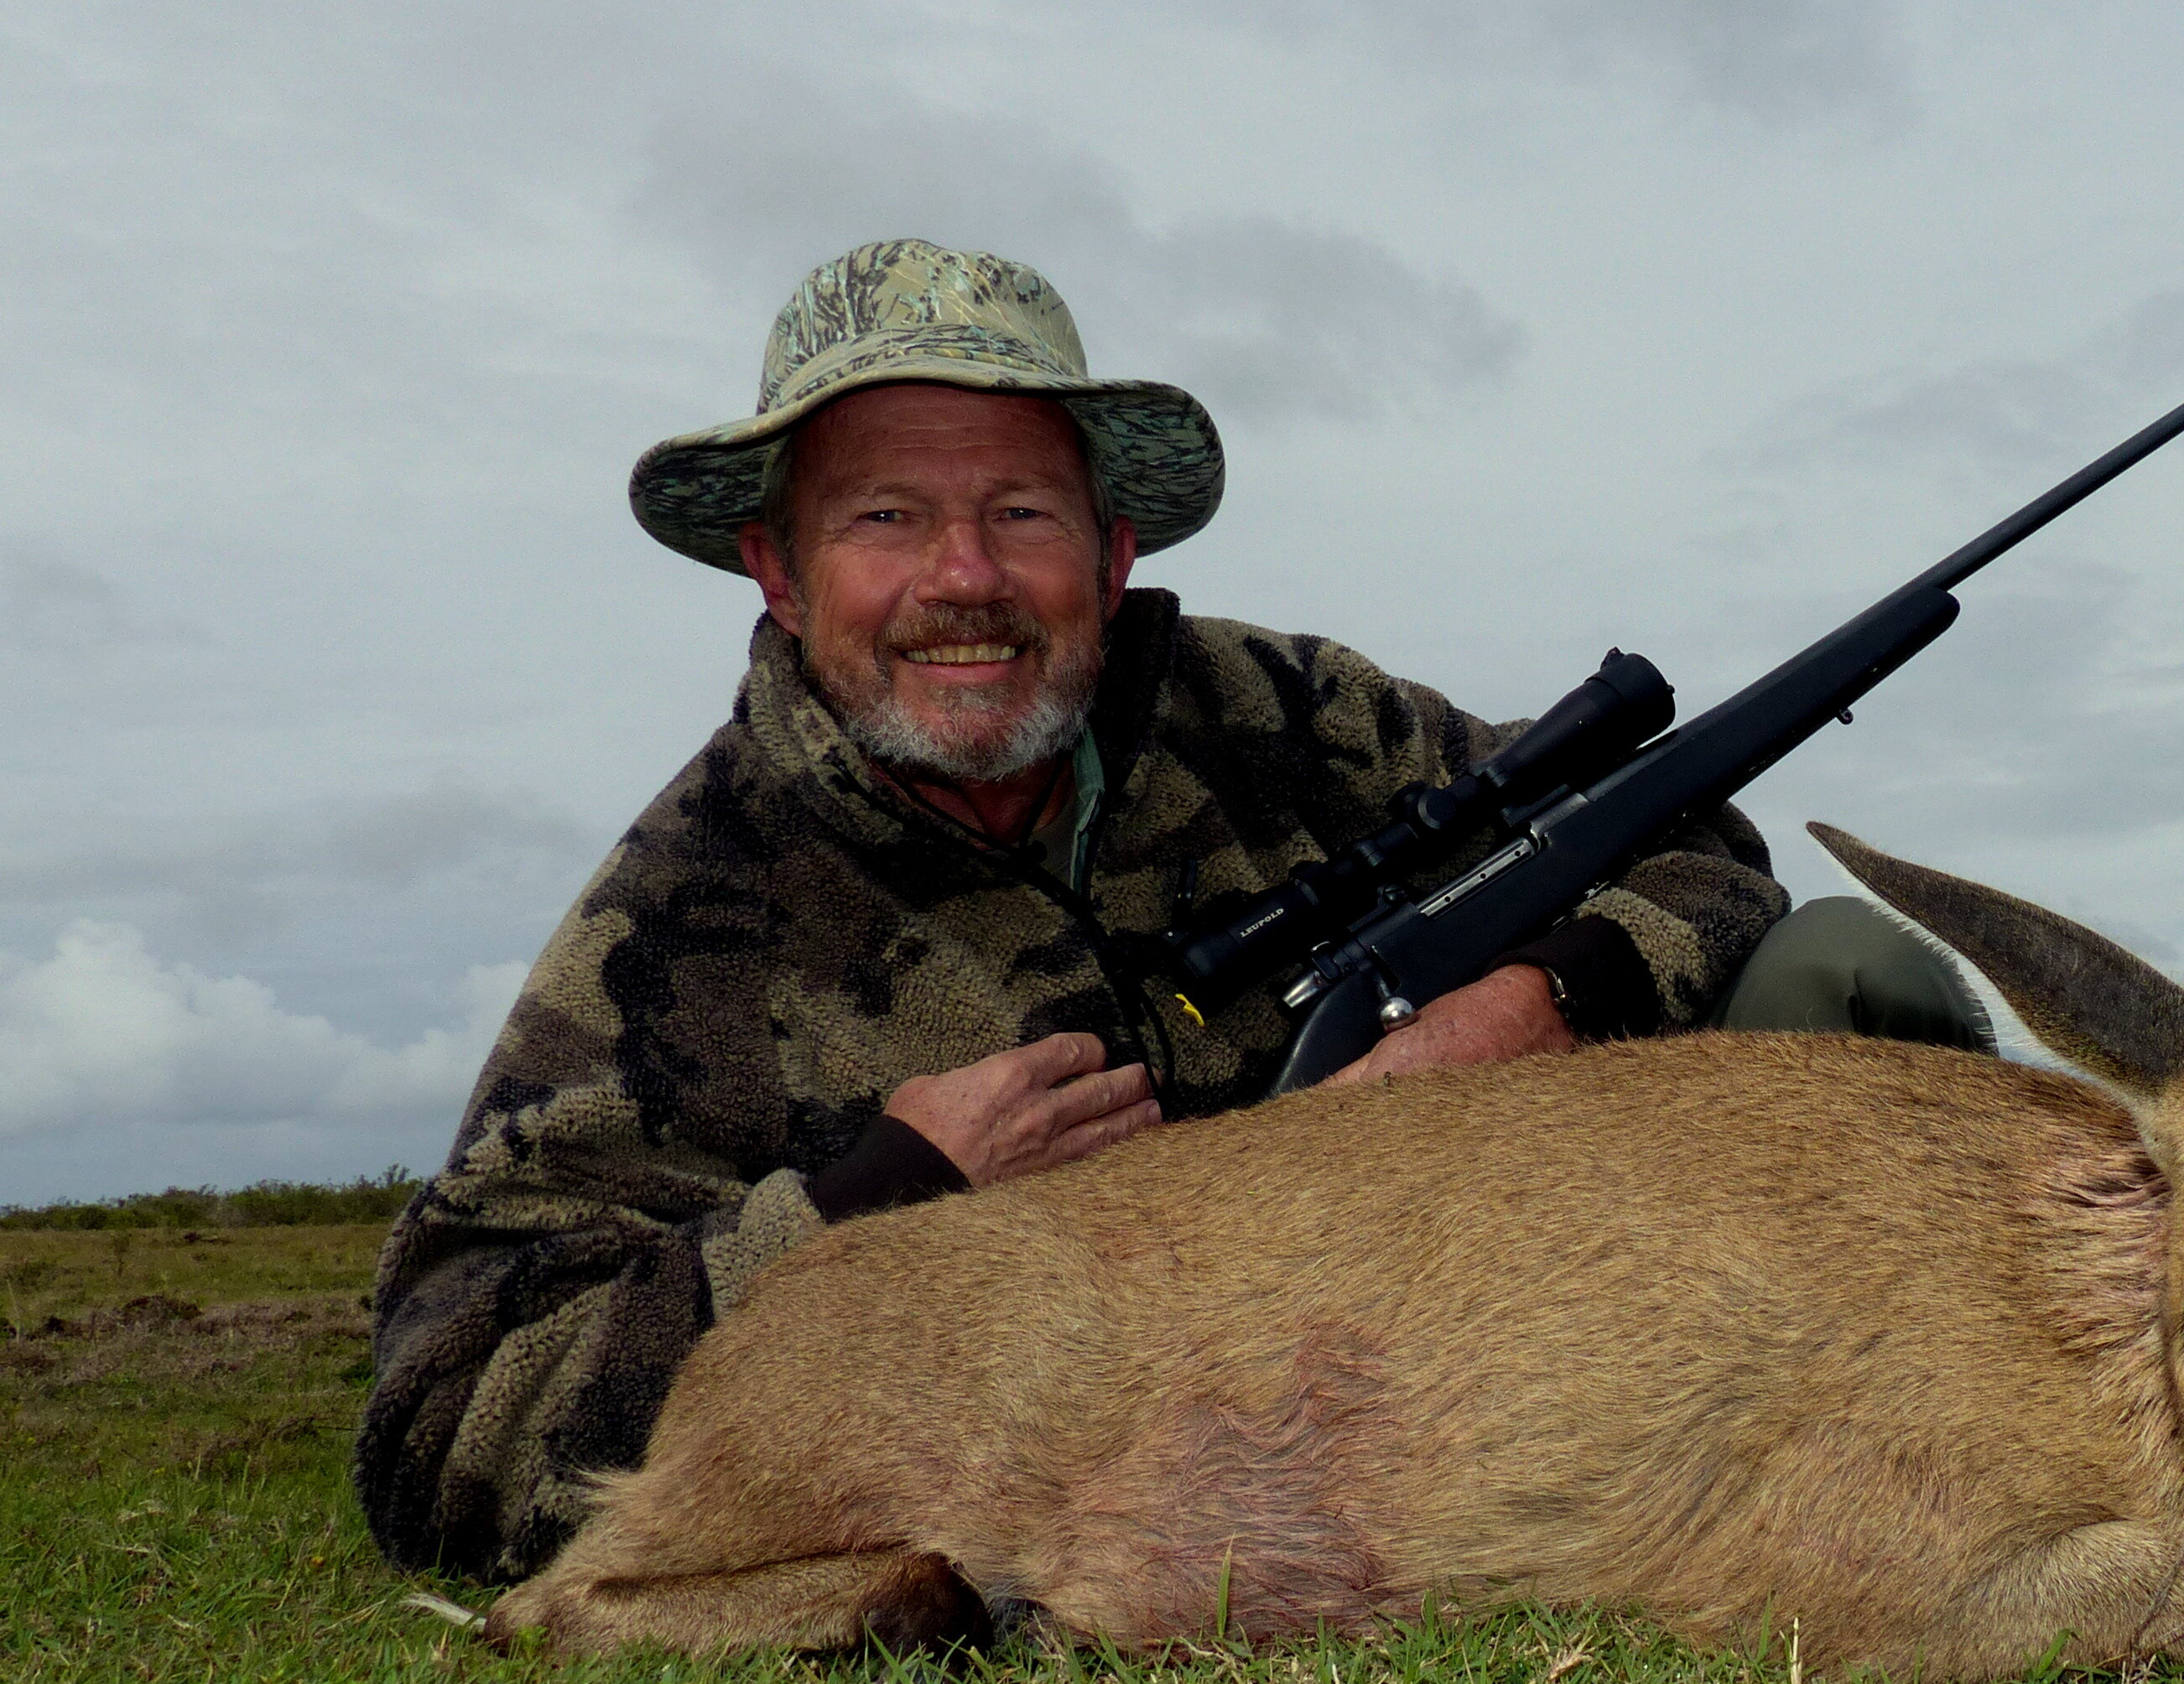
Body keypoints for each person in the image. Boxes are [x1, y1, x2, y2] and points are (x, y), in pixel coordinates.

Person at [356, 239, 1985, 1582]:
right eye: (883, 518)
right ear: (778, 574)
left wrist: (1537, 1006)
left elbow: (1693, 848)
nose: (964, 576)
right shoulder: (674, 925)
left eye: (1020, 512)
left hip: (1504, 1334)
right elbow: (443, 1436)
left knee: (1843, 974)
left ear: (1111, 549)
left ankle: (1979, 1433)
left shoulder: (1284, 714)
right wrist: (880, 1199)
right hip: (1137, 1473)